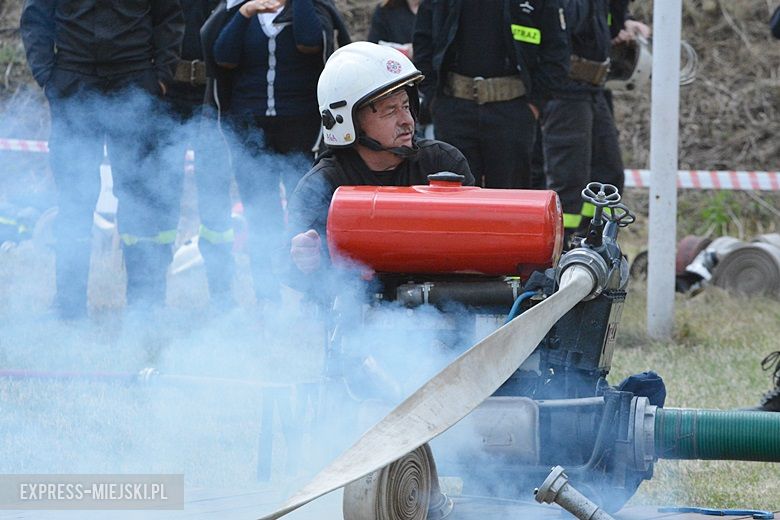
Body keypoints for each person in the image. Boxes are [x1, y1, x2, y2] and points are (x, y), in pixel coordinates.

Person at [20, 0, 184, 320]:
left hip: (135, 83)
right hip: (73, 83)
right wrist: (47, 77)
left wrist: (161, 77)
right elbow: (35, 19)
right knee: (74, 201)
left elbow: (170, 19)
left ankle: (143, 306)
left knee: (139, 199)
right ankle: (68, 308)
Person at [200, 0, 350, 306]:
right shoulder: (240, 13)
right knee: (260, 216)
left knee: (306, 216)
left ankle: (311, 294)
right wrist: (245, 13)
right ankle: (267, 296)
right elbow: (222, 57)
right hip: (250, 129)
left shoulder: (309, 11)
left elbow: (310, 41)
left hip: (300, 127)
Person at [287, 41, 474, 278]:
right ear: (349, 122)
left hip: (438, 308)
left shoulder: (443, 163)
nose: (406, 120)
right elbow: (291, 274)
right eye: (390, 111)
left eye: (406, 106)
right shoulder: (323, 185)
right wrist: (303, 261)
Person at [413, 0, 569, 189]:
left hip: (513, 111)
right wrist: (434, 99)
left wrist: (535, 104)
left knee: (510, 200)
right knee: (456, 198)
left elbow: (557, 52)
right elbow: (422, 43)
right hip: (454, 108)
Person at [541, 1, 648, 245]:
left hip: (593, 88)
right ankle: (559, 251)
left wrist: (623, 19)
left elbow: (609, 27)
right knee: (569, 184)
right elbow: (571, 25)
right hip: (564, 89)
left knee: (607, 176)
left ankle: (591, 240)